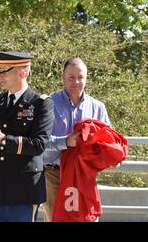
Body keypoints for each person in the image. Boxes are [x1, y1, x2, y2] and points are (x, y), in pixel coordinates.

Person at [0, 51, 54, 222]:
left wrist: (2, 139)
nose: (0, 76)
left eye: (5, 71)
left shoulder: (41, 103)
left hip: (23, 190)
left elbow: (39, 144)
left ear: (22, 73)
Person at [42, 57, 111, 222]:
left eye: (80, 77)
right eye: (71, 77)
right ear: (62, 77)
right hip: (54, 175)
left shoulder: (98, 107)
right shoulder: (48, 104)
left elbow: (108, 141)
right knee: (55, 219)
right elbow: (40, 142)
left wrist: (111, 156)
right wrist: (65, 141)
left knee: (87, 218)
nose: (76, 81)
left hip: (84, 175)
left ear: (86, 78)